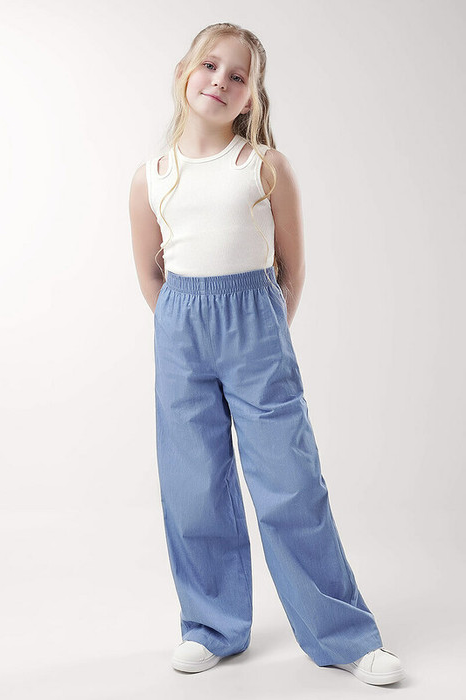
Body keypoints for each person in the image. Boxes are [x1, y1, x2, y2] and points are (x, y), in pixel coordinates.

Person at [129, 22, 405, 686]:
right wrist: (181, 330)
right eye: (209, 66)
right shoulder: (151, 177)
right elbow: (150, 275)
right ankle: (211, 626)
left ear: (252, 96)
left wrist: (264, 334)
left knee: (289, 484)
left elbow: (292, 268)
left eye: (238, 75)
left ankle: (342, 634)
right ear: (183, 71)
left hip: (255, 326)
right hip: (181, 330)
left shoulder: (263, 167)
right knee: (193, 486)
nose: (220, 82)